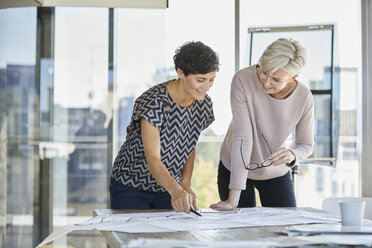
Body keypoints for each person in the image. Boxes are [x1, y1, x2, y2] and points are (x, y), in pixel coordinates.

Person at [110, 41, 219, 214]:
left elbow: (190, 146)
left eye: (211, 80)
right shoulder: (153, 101)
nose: (206, 87)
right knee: (132, 239)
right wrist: (176, 190)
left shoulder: (203, 104)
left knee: (168, 238)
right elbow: (153, 158)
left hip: (168, 188)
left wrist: (185, 184)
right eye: (200, 80)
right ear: (181, 73)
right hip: (131, 185)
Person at [210, 38, 314, 210]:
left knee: (283, 230)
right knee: (241, 231)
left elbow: (306, 145)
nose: (266, 83)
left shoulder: (304, 97)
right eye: (264, 72)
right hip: (234, 167)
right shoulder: (243, 79)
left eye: (276, 80)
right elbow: (243, 137)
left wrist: (292, 155)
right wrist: (232, 200)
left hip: (274, 171)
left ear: (293, 77)